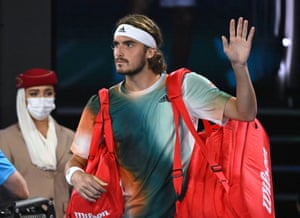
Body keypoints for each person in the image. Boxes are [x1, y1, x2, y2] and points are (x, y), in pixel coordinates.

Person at [65, 14, 257, 217]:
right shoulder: (101, 103)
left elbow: (245, 112)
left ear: (150, 52)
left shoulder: (185, 86)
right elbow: (77, 159)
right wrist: (75, 175)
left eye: (129, 44)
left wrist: (240, 67)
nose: (118, 52)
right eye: (115, 45)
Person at [0, 68, 75, 218]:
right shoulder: (5, 139)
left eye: (48, 93)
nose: (42, 99)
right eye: (34, 94)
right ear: (23, 98)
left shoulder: (70, 137)